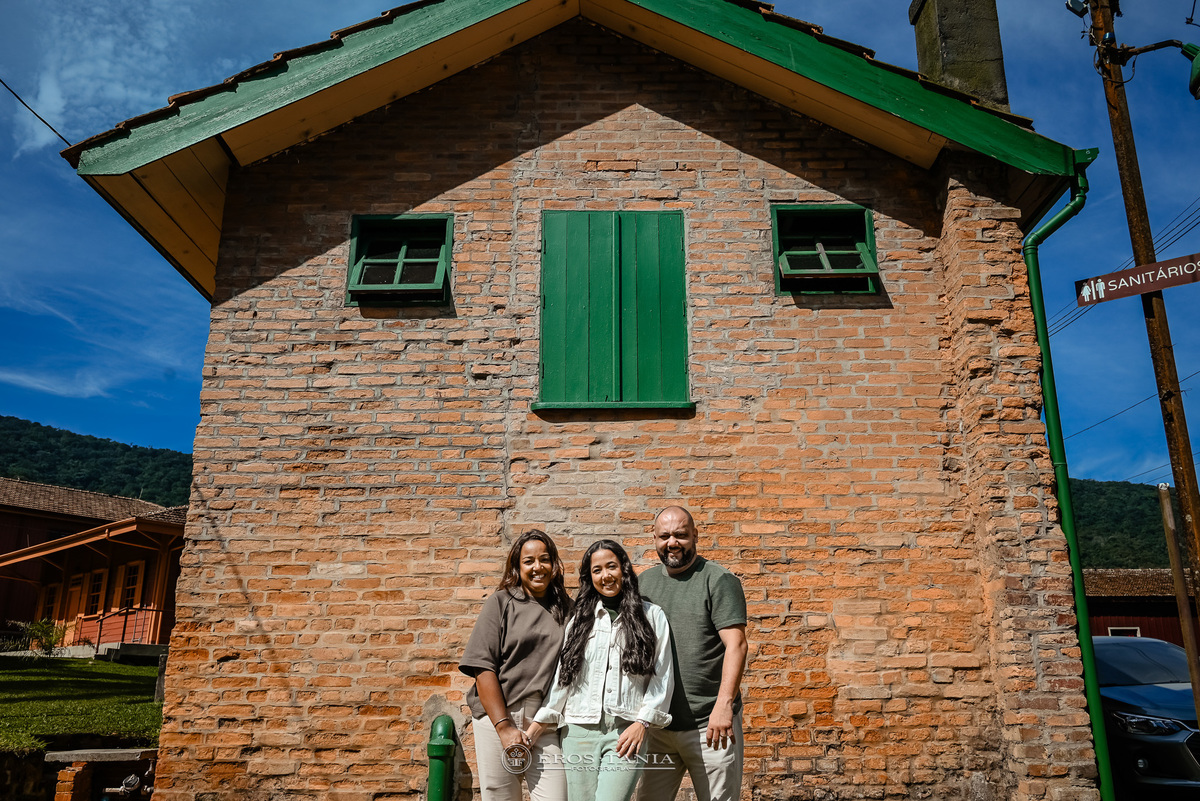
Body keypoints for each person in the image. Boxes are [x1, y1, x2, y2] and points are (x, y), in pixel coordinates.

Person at [528, 540, 674, 801]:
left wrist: (642, 723)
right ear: (589, 576)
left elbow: (662, 676)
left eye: (611, 567)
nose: (605, 576)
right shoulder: (579, 620)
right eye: (597, 570)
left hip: (626, 731)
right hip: (578, 730)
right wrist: (536, 727)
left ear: (624, 570)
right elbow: (564, 679)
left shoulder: (652, 616)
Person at [636, 506, 748, 801]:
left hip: (710, 725)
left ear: (695, 535)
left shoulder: (718, 580)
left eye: (681, 535)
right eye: (664, 536)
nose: (672, 542)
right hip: (659, 727)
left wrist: (724, 706)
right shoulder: (643, 584)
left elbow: (736, 644)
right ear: (654, 538)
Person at [460, 530, 572, 801]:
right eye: (529, 561)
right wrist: (504, 727)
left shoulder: (568, 608)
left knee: (556, 796)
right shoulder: (500, 603)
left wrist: (541, 722)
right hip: (497, 716)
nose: (538, 568)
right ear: (517, 567)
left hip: (544, 723)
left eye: (544, 560)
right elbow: (482, 667)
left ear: (554, 564)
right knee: (501, 797)